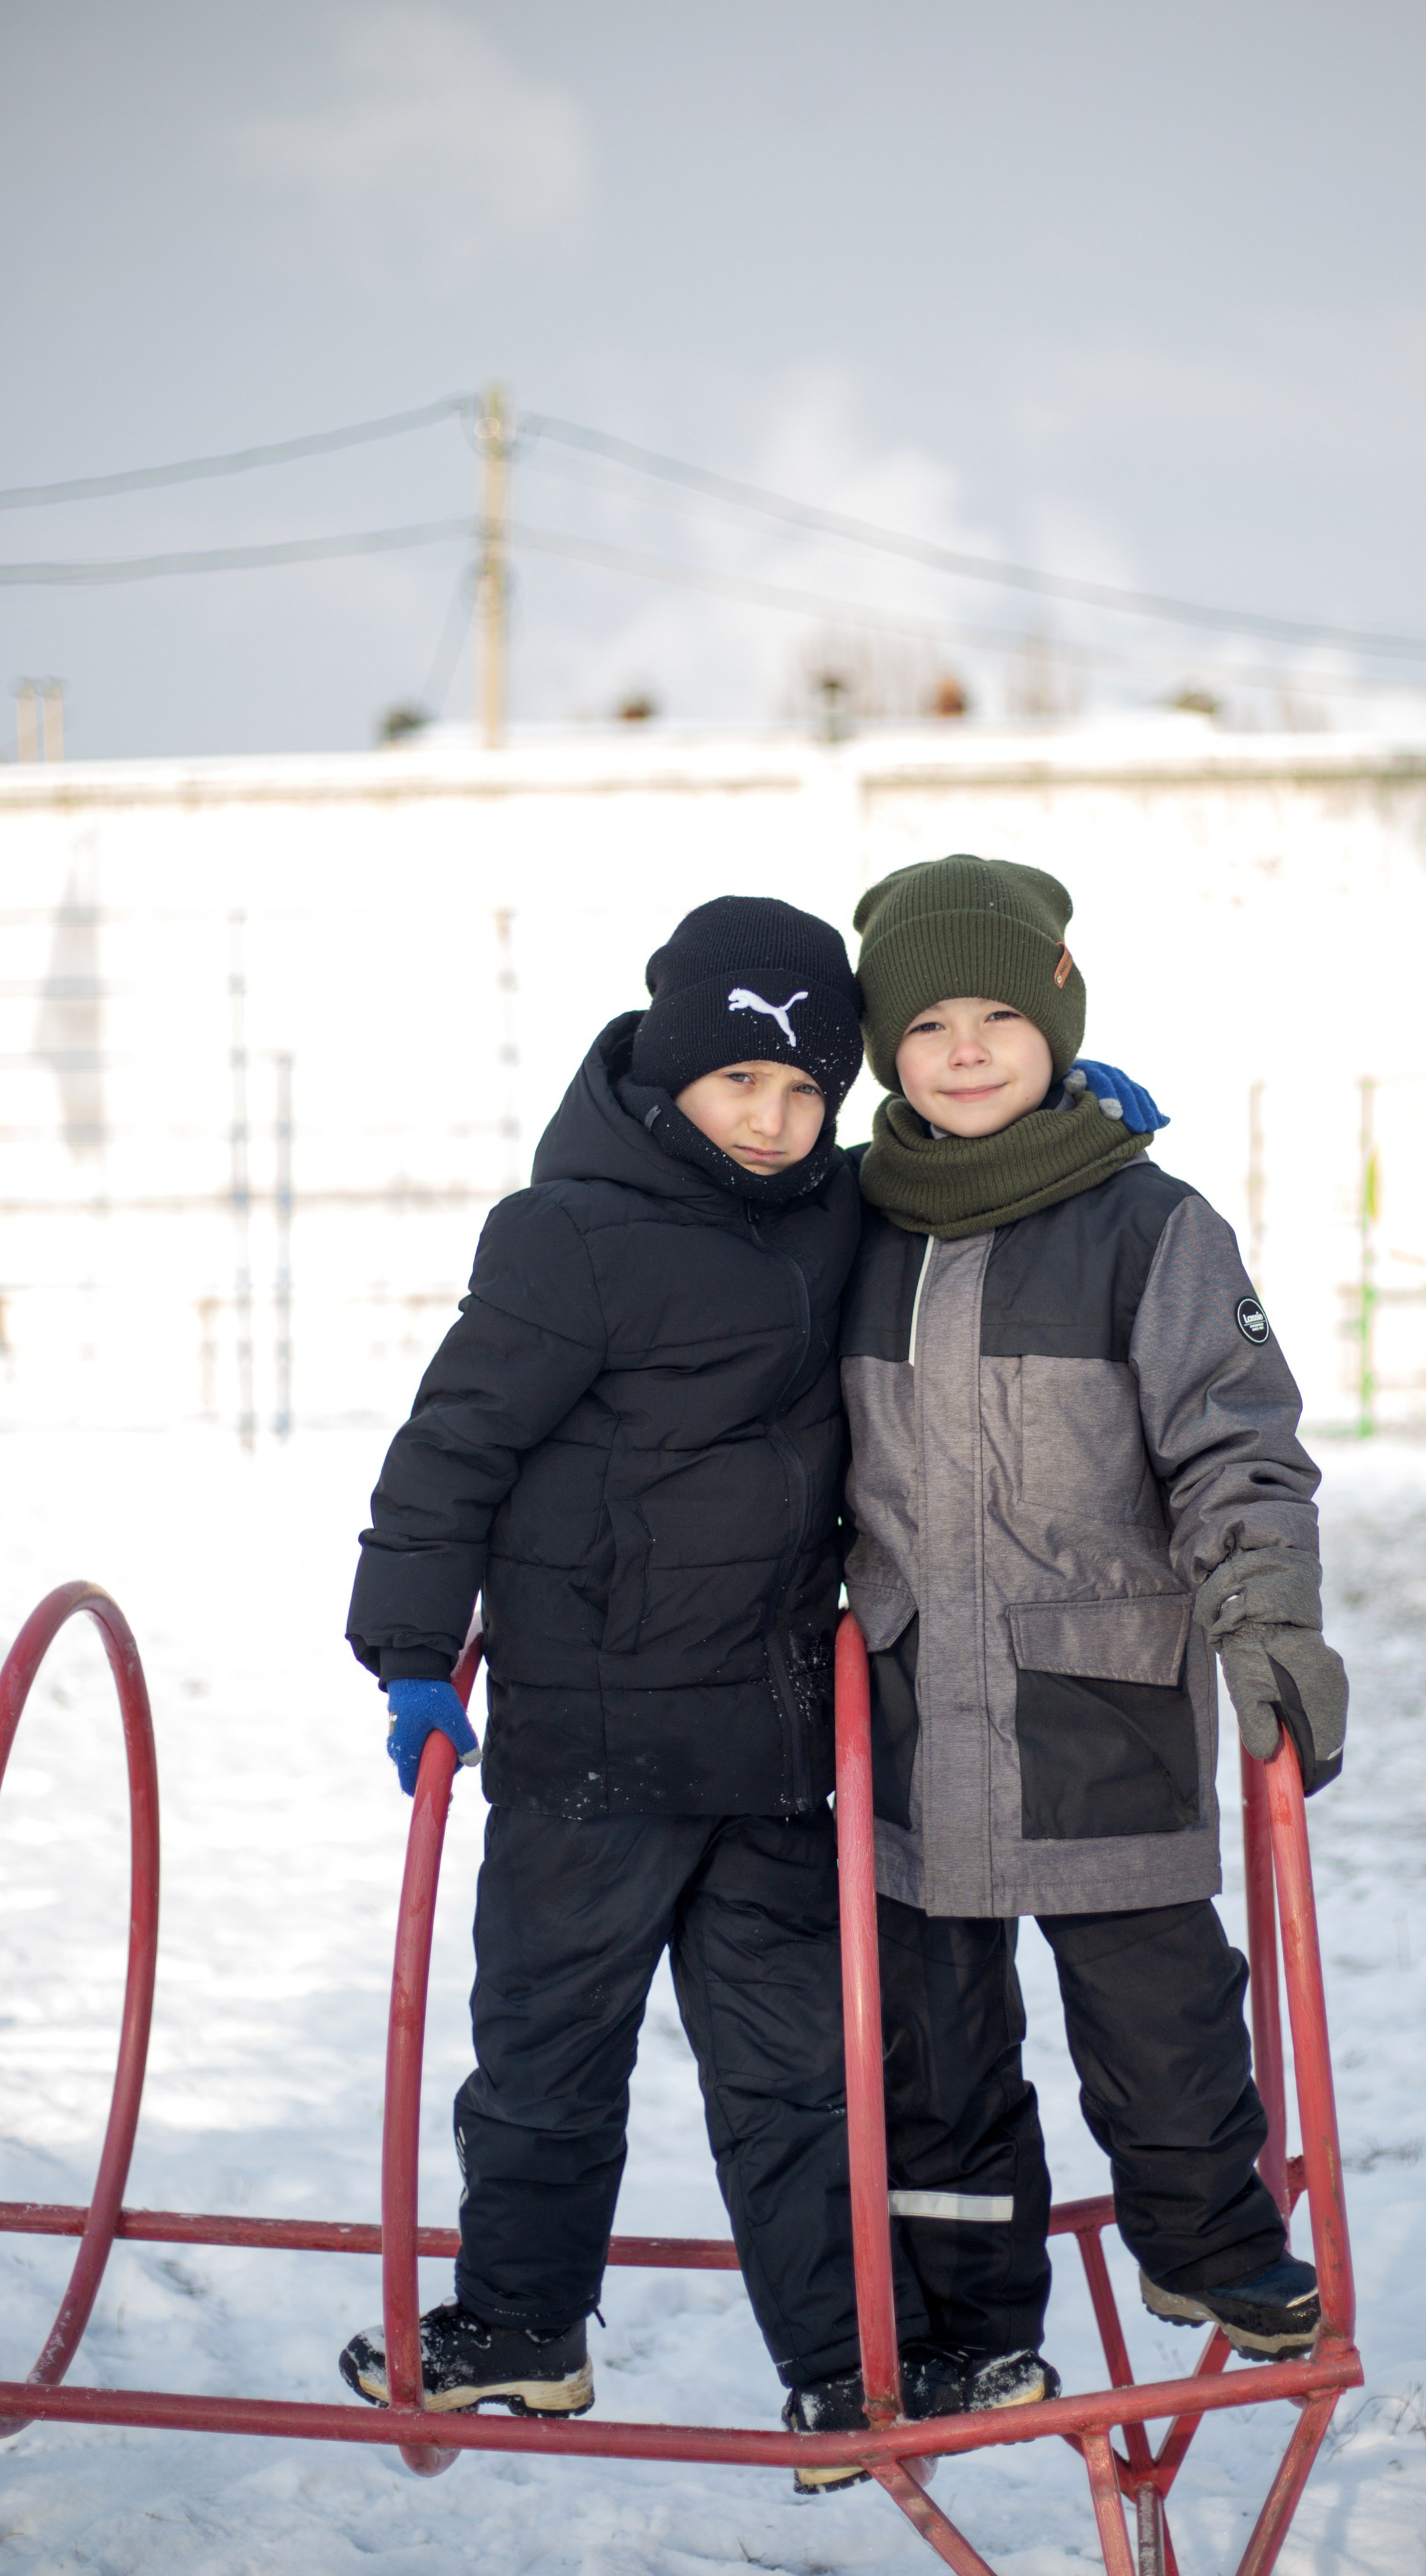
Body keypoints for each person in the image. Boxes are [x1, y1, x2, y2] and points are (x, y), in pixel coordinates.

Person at [337, 895, 916, 2478]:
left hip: (770, 1743)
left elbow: (966, 1158)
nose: (772, 1117)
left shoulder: (840, 1209)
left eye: (805, 1092)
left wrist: (1074, 1120)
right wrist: (407, 1652)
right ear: (672, 1071)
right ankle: (523, 2325)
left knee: (795, 2078)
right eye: (741, 1081)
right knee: (542, 2053)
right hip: (586, 1743)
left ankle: (842, 2369)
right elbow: (450, 1446)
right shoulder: (567, 1231)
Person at [838, 852, 1348, 2399]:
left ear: (1059, 1020)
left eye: (1002, 1011)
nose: (970, 1048)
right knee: (930, 2054)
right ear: (884, 1052)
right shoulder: (847, 1229)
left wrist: (1265, 1619)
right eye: (928, 1024)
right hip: (912, 1711)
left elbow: (1234, 1441)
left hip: (1098, 1710)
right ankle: (973, 2317)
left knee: (1164, 2014)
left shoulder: (1147, 1225)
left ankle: (1204, 2239)